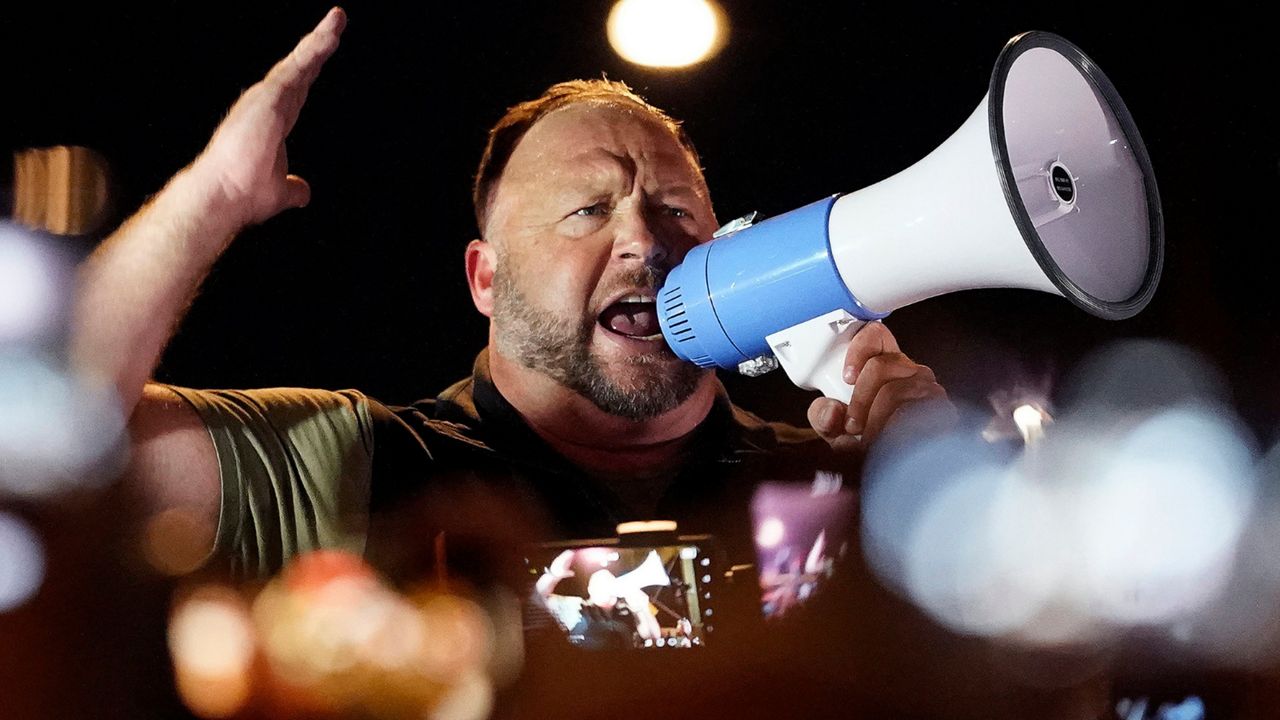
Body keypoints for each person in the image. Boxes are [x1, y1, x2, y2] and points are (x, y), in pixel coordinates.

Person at [72, 7, 949, 581]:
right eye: (588, 209)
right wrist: (213, 196)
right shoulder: (347, 467)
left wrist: (936, 491)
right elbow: (44, 427)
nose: (645, 240)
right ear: (485, 278)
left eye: (677, 209)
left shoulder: (826, 483)